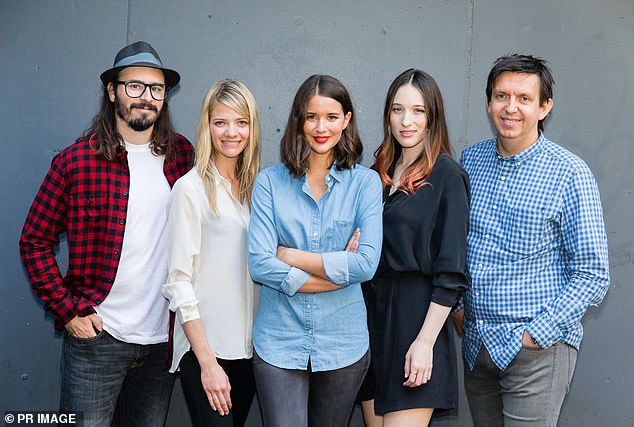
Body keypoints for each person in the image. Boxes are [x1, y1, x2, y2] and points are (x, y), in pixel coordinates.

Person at [19, 41, 194, 426]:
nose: (146, 98)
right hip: (97, 340)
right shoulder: (76, 161)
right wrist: (67, 313)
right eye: (134, 86)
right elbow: (34, 241)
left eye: (156, 89)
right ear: (112, 91)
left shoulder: (182, 156)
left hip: (162, 342)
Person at [455, 54, 610, 426]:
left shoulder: (569, 173)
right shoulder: (469, 161)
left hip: (536, 353)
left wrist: (536, 334)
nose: (511, 108)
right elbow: (456, 242)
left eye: (524, 98)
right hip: (478, 345)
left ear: (544, 107)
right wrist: (461, 310)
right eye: (501, 96)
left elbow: (593, 273)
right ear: (488, 102)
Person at [248, 74, 383, 427]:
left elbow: (366, 264)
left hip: (344, 343)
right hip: (279, 341)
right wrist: (340, 273)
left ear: (347, 120)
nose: (321, 127)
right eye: (311, 117)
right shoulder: (269, 183)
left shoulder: (365, 184)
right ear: (299, 121)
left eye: (332, 117)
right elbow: (261, 264)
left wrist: (289, 256)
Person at [357, 69, 470, 427]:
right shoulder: (376, 173)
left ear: (432, 117)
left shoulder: (447, 175)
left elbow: (451, 271)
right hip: (371, 324)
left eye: (418, 110)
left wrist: (424, 342)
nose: (406, 121)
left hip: (417, 321)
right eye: (397, 109)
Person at [163, 80, 260, 427]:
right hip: (207, 350)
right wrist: (207, 362)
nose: (231, 132)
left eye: (241, 122)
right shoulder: (189, 190)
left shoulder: (257, 191)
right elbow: (178, 281)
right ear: (207, 126)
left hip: (250, 351)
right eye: (221, 122)